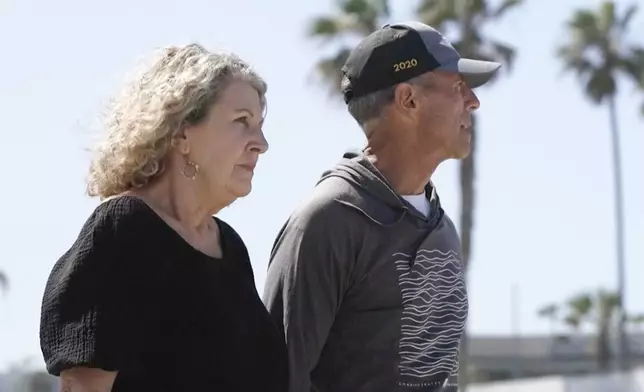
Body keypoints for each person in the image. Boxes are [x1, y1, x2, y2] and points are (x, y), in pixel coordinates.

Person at [263, 21, 501, 392]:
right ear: (408, 100)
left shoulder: (443, 229)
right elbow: (277, 378)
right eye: (457, 86)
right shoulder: (326, 221)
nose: (473, 101)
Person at [39, 43, 288, 392]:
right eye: (241, 121)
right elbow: (82, 386)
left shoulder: (230, 247)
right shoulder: (123, 230)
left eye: (260, 125)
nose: (260, 142)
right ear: (182, 132)